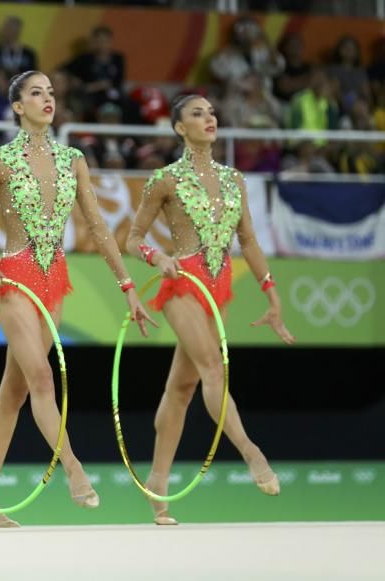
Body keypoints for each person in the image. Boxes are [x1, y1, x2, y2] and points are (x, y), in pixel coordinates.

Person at [0, 70, 155, 528]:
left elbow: (101, 229)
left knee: (15, 391)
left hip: (54, 279)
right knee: (43, 379)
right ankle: (74, 470)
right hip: (14, 280)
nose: (48, 99)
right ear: (17, 106)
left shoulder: (73, 160)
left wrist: (127, 287)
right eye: (36, 93)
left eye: (51, 92)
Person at [126, 94, 295, 525]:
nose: (209, 119)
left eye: (212, 112)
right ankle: (251, 452)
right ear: (180, 127)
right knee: (213, 369)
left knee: (181, 389)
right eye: (197, 114)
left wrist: (271, 291)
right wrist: (156, 258)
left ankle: (157, 486)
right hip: (181, 284)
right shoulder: (164, 179)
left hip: (217, 288)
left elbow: (250, 241)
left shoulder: (234, 179)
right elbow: (133, 238)